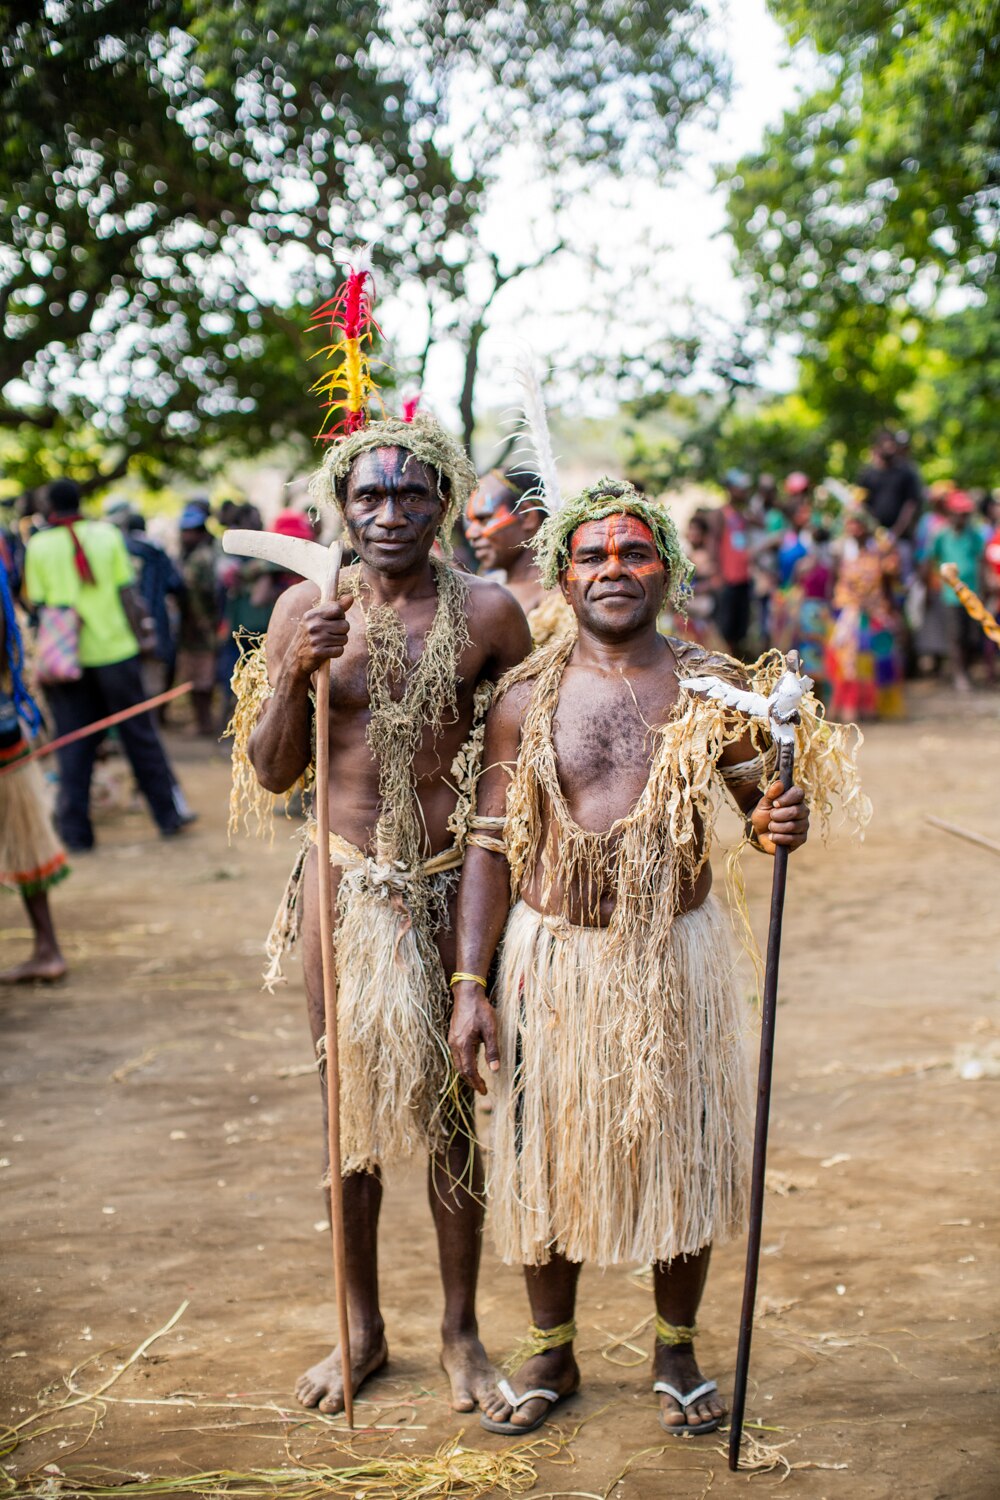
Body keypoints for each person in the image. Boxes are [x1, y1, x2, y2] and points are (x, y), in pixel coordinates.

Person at [447, 478, 866, 1438]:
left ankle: (676, 1347)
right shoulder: (524, 697)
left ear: (668, 572)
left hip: (677, 955)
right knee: (546, 1164)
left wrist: (778, 819)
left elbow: (763, 809)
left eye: (635, 554)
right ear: (562, 572)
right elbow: (486, 841)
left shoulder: (713, 687)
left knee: (682, 1155)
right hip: (552, 963)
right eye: (592, 556)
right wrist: (472, 986)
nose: (613, 571)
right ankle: (552, 1345)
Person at [230, 257, 532, 1417]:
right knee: (346, 1111)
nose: (390, 514)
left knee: (457, 1105)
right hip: (343, 886)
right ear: (342, 509)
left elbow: (524, 763)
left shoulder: (490, 614)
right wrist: (287, 679)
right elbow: (273, 771)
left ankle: (460, 1333)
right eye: (370, 498)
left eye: (411, 497)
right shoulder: (310, 612)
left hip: (455, 884)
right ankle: (359, 1325)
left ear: (444, 503)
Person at [23, 479, 192, 850]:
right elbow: (126, 594)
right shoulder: (107, 534)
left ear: (49, 505)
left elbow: (38, 602)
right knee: (141, 738)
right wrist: (145, 641)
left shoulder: (38, 544)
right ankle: (168, 816)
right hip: (117, 652)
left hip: (66, 662)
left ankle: (76, 834)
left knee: (74, 744)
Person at [0, 561, 68, 983]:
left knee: (24, 838)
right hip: (8, 728)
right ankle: (47, 947)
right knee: (24, 838)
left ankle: (48, 949)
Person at [465, 469, 573, 646]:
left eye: (484, 519)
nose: (471, 533)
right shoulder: (478, 588)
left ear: (527, 516)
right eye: (471, 522)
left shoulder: (565, 598)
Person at [826, 510, 905, 721]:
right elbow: (834, 582)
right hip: (850, 614)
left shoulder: (880, 552)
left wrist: (891, 610)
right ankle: (849, 709)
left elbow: (889, 582)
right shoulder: (841, 551)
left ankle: (872, 708)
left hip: (875, 613)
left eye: (858, 525)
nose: (855, 529)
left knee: (877, 660)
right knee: (848, 663)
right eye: (851, 525)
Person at [930, 490, 987, 691]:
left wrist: (984, 589)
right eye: (960, 513)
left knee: (973, 636)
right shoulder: (941, 536)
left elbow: (981, 563)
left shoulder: (974, 536)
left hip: (973, 592)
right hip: (950, 595)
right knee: (956, 635)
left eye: (966, 514)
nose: (963, 518)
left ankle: (967, 670)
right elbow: (931, 560)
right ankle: (959, 674)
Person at [176, 502, 222, 736]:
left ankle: (204, 723)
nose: (187, 535)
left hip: (203, 627)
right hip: (192, 628)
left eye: (191, 531)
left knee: (203, 678)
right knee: (196, 677)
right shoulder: (193, 556)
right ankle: (201, 721)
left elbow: (205, 592)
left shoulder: (203, 557)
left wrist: (207, 621)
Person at [856, 429, 922, 545]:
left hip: (901, 539)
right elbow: (860, 504)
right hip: (873, 538)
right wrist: (873, 530)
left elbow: (911, 505)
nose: (890, 448)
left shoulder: (905, 472)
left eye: (892, 443)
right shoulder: (867, 475)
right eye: (885, 444)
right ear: (877, 447)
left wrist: (896, 532)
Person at [714, 468, 754, 657]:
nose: (744, 492)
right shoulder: (721, 514)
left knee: (741, 624)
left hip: (743, 577)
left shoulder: (743, 515)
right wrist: (719, 574)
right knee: (727, 626)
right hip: (728, 578)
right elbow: (713, 544)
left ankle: (737, 660)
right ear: (730, 489)